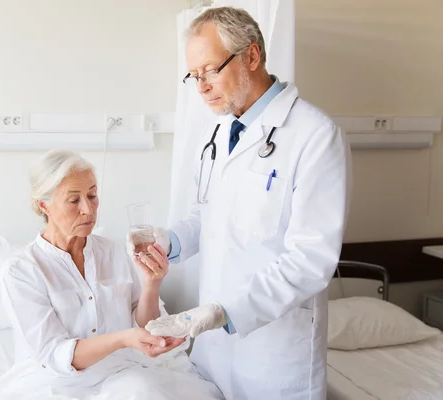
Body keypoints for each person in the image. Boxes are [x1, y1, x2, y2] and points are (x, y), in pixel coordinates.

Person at [131, 6, 351, 400]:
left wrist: (224, 311)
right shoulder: (219, 132)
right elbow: (208, 215)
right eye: (194, 76)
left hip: (275, 353)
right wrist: (169, 241)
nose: (201, 87)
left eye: (210, 70)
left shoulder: (315, 137)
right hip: (214, 350)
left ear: (251, 56)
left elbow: (311, 260)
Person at [0, 149, 224, 400]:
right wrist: (123, 339)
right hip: (57, 383)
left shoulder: (112, 251)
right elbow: (55, 355)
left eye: (92, 195)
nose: (88, 209)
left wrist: (152, 283)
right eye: (74, 201)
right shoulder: (21, 271)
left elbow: (146, 323)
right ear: (44, 206)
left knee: (142, 392)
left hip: (120, 374)